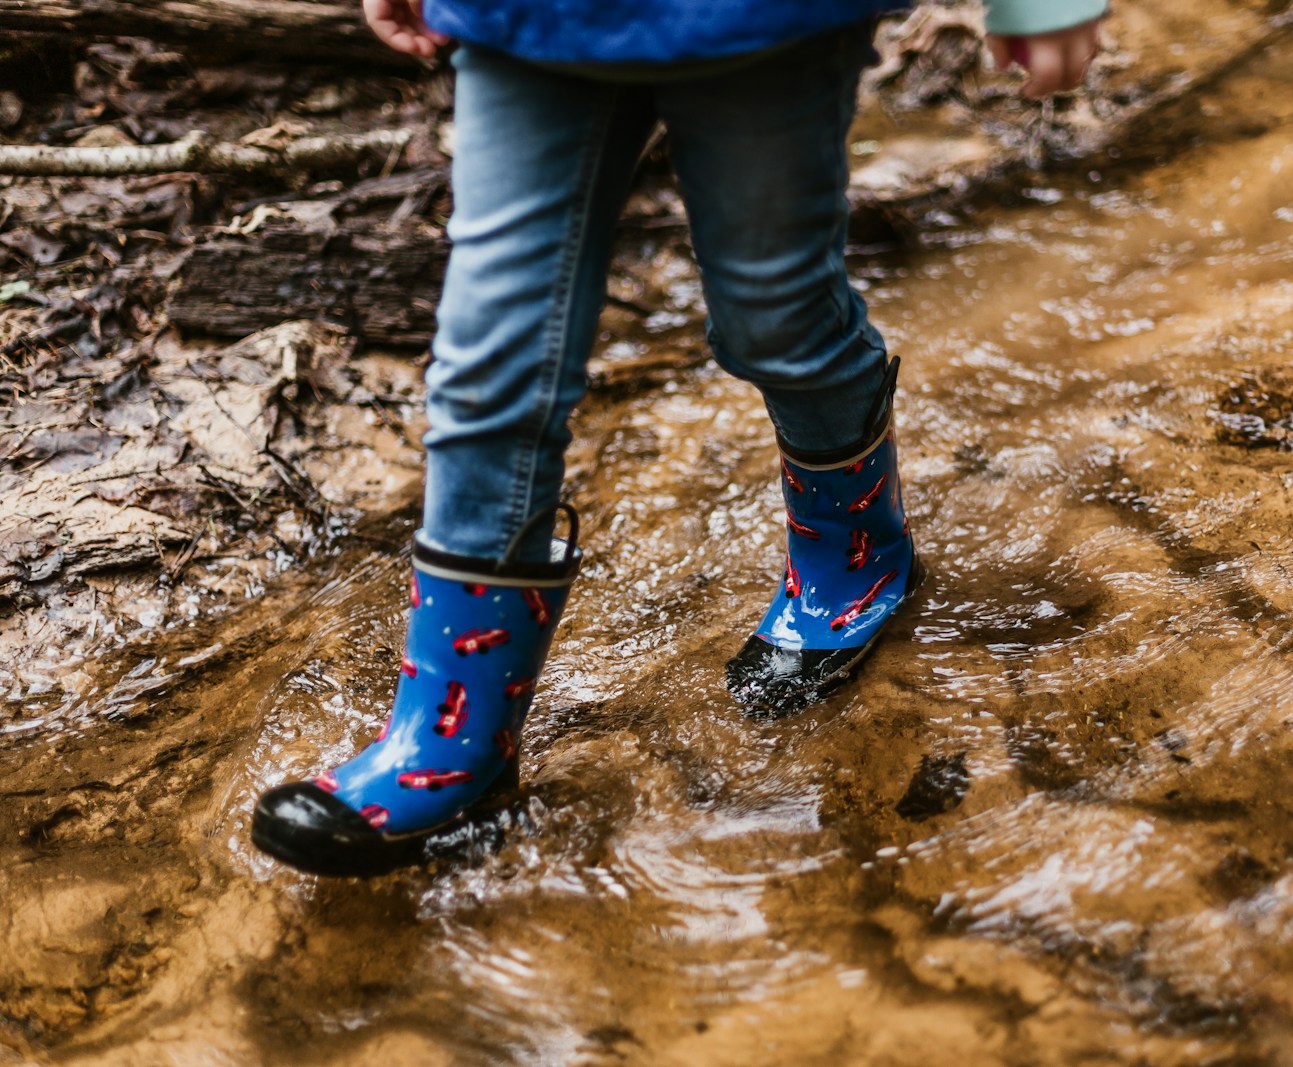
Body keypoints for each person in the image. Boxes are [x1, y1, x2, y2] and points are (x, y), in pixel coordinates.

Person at [250, 0, 1107, 877]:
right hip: (525, 18)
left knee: (776, 323)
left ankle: (856, 557)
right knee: (489, 360)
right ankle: (450, 739)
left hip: (764, 21)